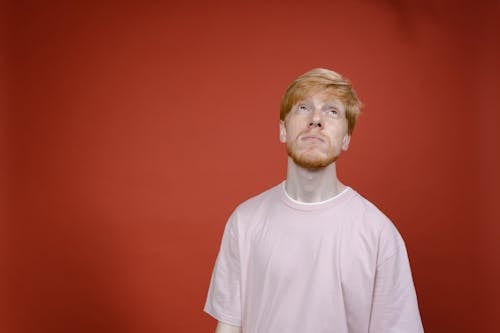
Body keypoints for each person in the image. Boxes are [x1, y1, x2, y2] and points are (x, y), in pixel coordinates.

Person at [204, 68, 424, 333]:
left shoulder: (379, 233)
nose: (316, 119)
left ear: (346, 139)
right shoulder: (244, 221)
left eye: (332, 111)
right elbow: (228, 326)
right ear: (283, 130)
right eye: (303, 107)